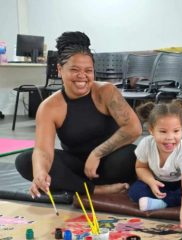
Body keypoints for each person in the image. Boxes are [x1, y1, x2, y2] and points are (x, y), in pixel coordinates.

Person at [15, 31, 142, 197]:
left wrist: (97, 153)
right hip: (76, 168)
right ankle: (94, 190)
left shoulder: (106, 91)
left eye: (88, 70)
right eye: (74, 70)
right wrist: (40, 172)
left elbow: (134, 129)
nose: (82, 76)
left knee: (131, 155)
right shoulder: (49, 107)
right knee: (25, 161)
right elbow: (43, 151)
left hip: (109, 162)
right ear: (60, 69)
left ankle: (76, 186)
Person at [128, 99, 182, 228]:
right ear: (151, 130)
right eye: (163, 131)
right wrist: (151, 182)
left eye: (176, 131)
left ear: (181, 129)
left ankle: (163, 203)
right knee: (134, 190)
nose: (170, 137)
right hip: (159, 184)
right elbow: (140, 167)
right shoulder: (146, 143)